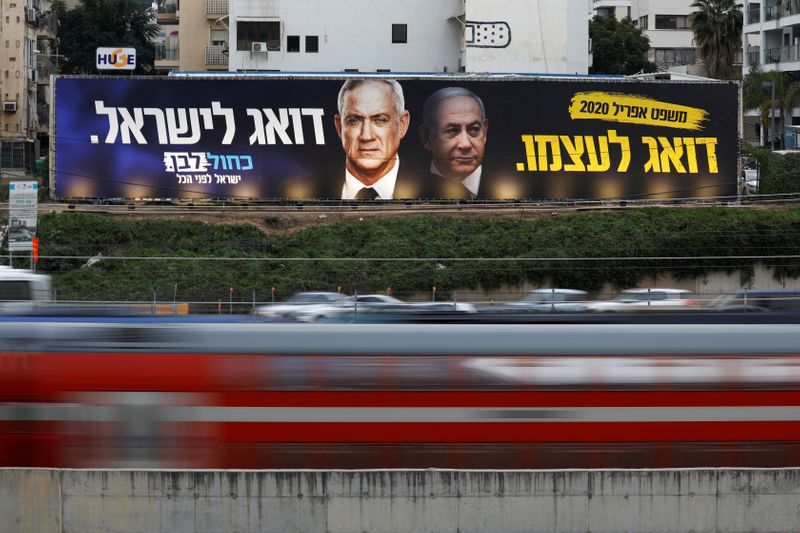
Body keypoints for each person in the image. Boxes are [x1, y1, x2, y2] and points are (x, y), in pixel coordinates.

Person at [333, 79, 417, 200]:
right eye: (354, 120)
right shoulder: (314, 186)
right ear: (339, 127)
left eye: (380, 119)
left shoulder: (432, 187)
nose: (366, 136)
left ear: (402, 125)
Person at [419, 87, 489, 199]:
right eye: (452, 131)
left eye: (474, 129)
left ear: (484, 132)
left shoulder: (507, 183)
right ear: (427, 138)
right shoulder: (402, 187)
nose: (465, 144)